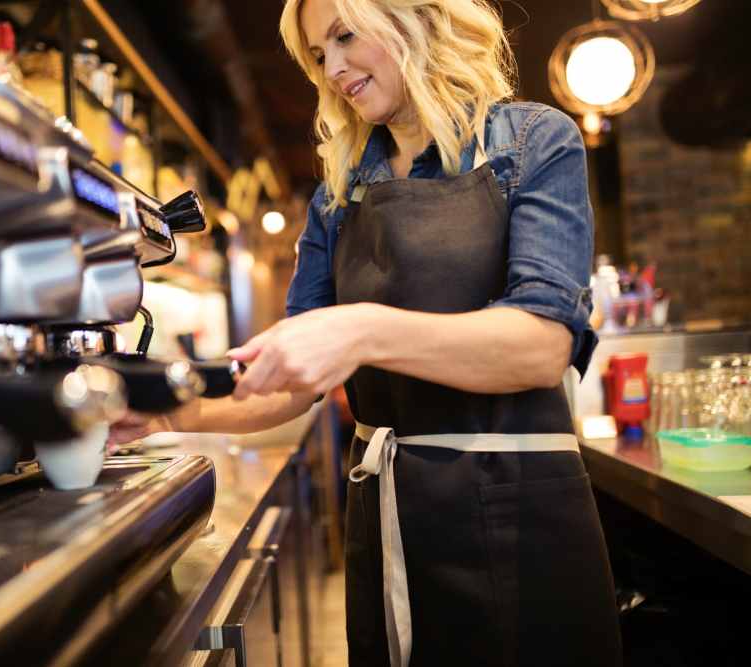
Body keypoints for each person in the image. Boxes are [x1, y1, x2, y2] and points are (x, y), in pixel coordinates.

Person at [110, 0, 623, 664]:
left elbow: (541, 344)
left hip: (518, 512)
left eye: (346, 36)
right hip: (387, 519)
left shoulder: (531, 142)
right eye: (319, 55)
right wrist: (168, 416)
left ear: (419, 16)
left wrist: (362, 332)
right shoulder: (338, 195)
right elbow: (293, 380)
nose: (335, 70)